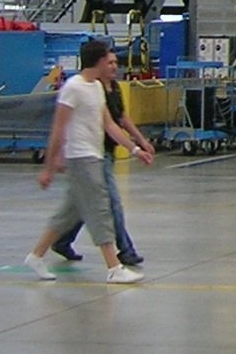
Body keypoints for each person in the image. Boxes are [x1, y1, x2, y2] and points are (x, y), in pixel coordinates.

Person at [26, 36, 153, 284]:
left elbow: (109, 125)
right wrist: (49, 168)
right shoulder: (73, 88)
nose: (113, 66)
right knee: (100, 210)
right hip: (81, 158)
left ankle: (36, 255)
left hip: (94, 155)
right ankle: (114, 267)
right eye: (109, 61)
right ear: (97, 62)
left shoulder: (96, 88)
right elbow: (58, 129)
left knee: (67, 214)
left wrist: (136, 149)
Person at [50, 69, 146, 267]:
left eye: (114, 62)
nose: (113, 67)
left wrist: (138, 145)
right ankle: (124, 253)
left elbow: (117, 121)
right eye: (109, 62)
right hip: (87, 157)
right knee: (109, 205)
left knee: (78, 206)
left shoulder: (110, 89)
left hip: (103, 154)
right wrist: (53, 160)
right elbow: (60, 125)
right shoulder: (79, 88)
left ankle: (57, 242)